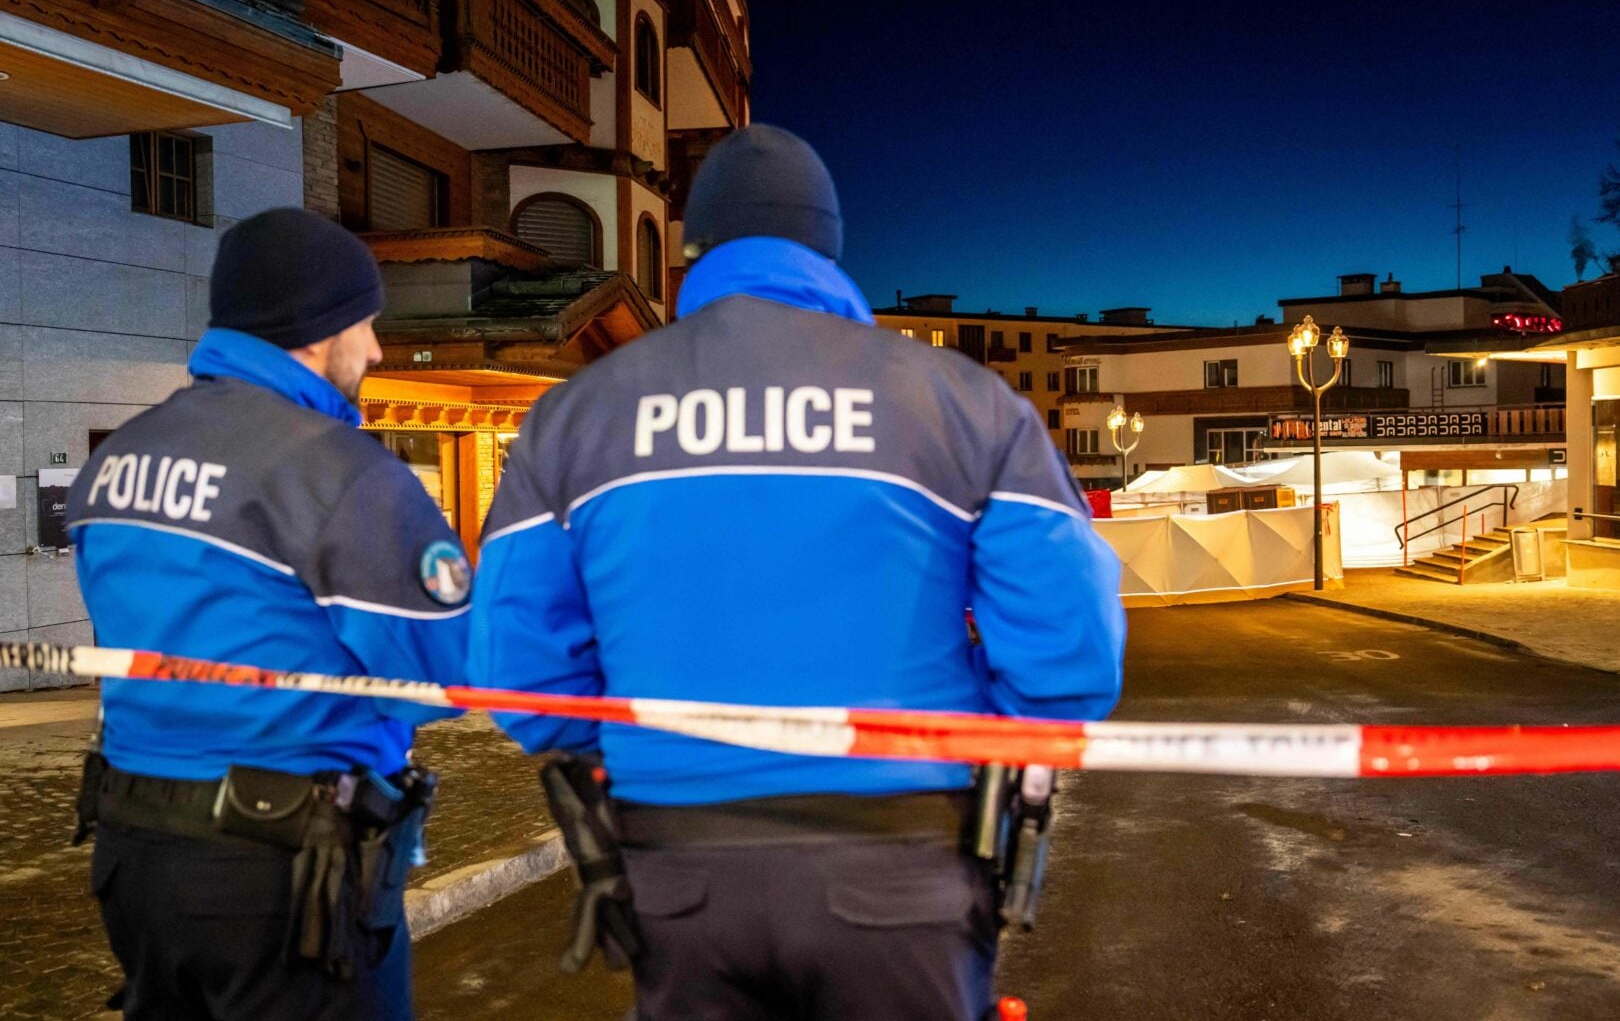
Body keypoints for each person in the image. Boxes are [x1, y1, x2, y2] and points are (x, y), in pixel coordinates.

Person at [470, 125, 1126, 1021]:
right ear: (827, 245)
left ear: (693, 250)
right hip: (902, 859)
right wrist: (971, 722)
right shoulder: (962, 402)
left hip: (679, 869)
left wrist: (635, 744)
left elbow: (517, 669)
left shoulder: (574, 417)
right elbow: (1072, 653)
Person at [66, 208, 472, 1021]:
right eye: (367, 323)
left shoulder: (117, 459)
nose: (378, 350)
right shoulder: (340, 473)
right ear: (320, 331)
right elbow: (447, 673)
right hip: (282, 874)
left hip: (133, 854)